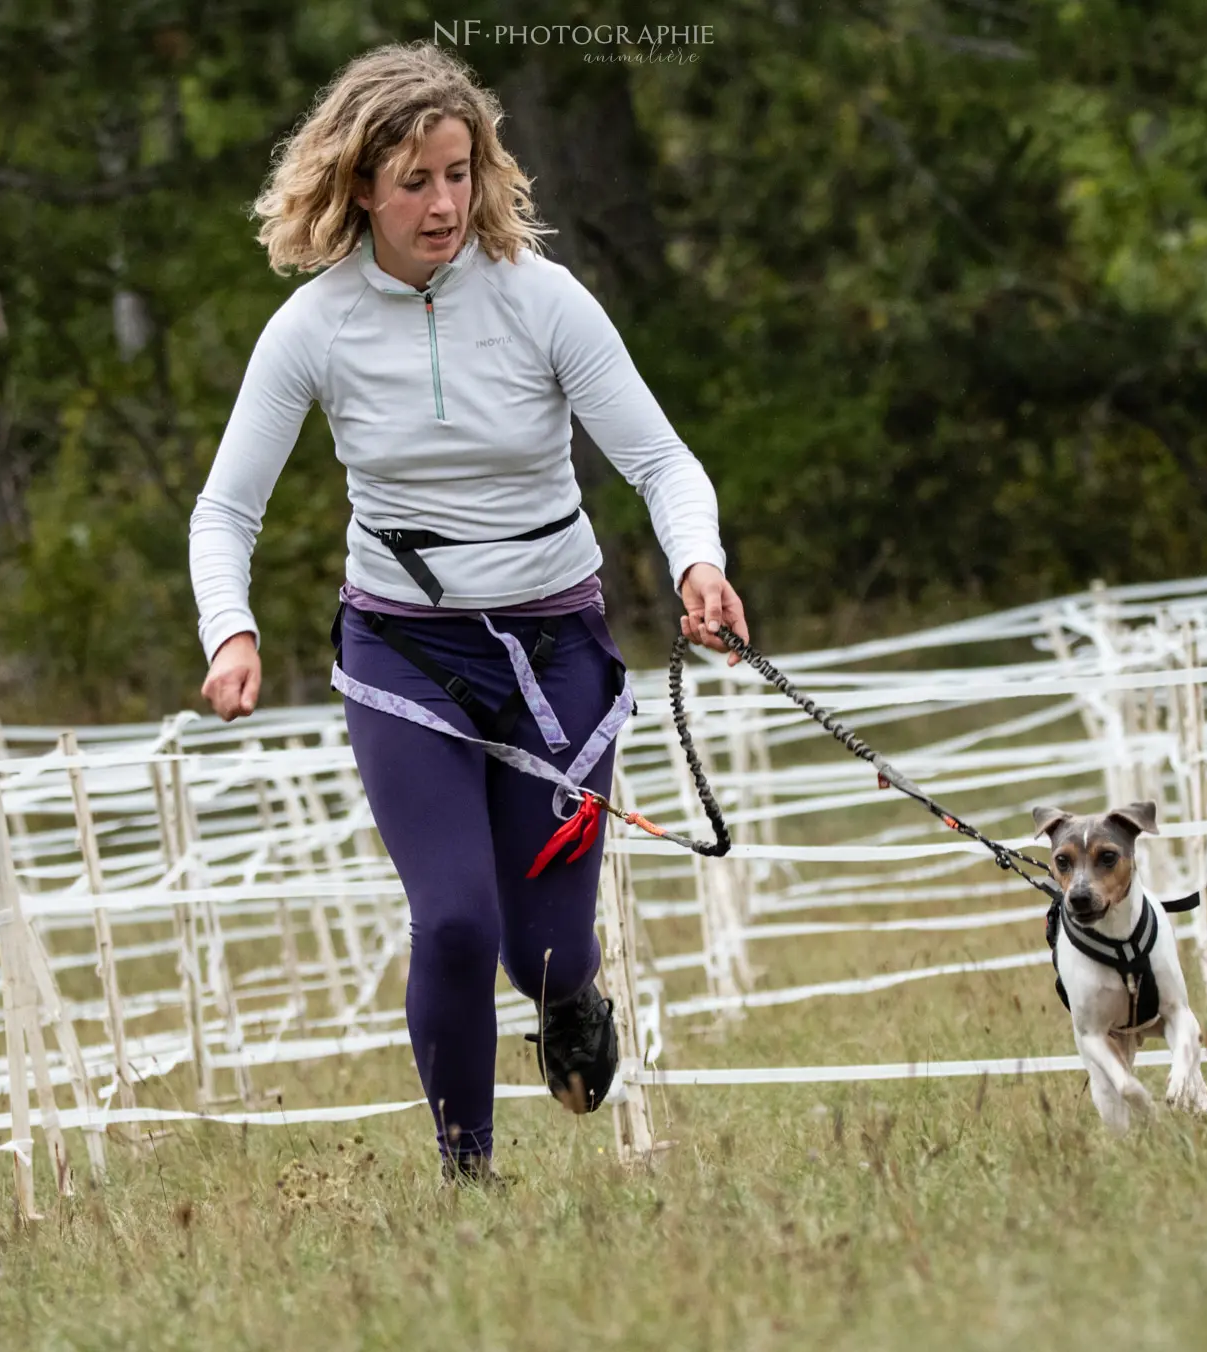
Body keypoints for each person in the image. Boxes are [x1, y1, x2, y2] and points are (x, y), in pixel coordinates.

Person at [189, 40, 749, 1183]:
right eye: (413, 182)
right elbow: (223, 510)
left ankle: (570, 992)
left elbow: (659, 460)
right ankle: (467, 1176)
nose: (441, 203)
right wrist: (228, 628)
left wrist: (698, 564)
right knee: (453, 921)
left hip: (556, 650)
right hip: (406, 656)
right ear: (358, 187)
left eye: (457, 173)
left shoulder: (541, 300)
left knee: (544, 951)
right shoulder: (313, 326)